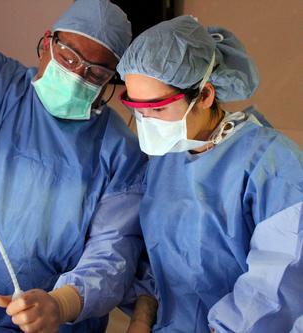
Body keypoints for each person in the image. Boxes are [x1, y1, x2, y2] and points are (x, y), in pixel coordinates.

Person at [0, 1, 152, 332]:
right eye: (69, 57)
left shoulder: (119, 151)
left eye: (95, 72)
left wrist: (62, 302)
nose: (77, 75)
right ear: (47, 43)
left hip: (45, 319)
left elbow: (113, 254)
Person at [116, 15, 303, 333]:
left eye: (158, 109)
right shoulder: (164, 161)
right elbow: (156, 259)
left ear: (204, 96)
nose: (146, 121)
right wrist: (142, 318)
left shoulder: (271, 163)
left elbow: (278, 286)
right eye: (137, 109)